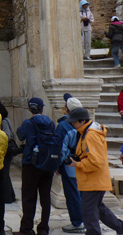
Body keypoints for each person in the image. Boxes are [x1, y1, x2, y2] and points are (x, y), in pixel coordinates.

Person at [67, 107, 123, 235]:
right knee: (98, 208)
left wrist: (78, 164)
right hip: (93, 179)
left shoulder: (91, 135)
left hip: (93, 180)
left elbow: (96, 162)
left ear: (82, 121)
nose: (73, 124)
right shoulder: (85, 132)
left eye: (74, 122)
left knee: (88, 212)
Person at [14, 97, 56, 235]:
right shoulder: (50, 123)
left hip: (31, 164)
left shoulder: (28, 123)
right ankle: (43, 228)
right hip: (47, 164)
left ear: (30, 109)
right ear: (42, 108)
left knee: (28, 197)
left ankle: (26, 229)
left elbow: (20, 135)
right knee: (45, 197)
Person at [56, 94, 86, 233]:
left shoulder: (63, 125)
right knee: (80, 192)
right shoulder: (86, 122)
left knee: (72, 194)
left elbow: (60, 148)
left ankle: (77, 222)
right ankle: (84, 219)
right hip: (83, 162)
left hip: (69, 163)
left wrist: (57, 164)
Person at [0, 103, 16, 204]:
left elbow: (8, 135)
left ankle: (7, 198)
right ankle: (11, 195)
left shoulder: (4, 122)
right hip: (10, 148)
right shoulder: (7, 120)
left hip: (7, 148)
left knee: (4, 173)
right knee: (6, 173)